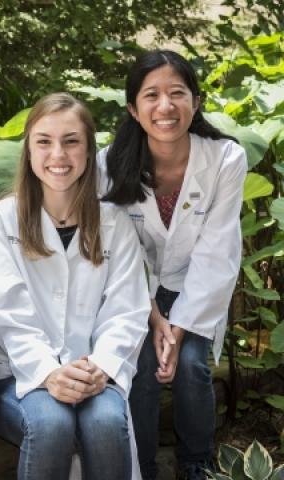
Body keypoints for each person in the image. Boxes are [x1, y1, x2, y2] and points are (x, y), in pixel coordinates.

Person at [0, 92, 150, 480]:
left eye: (71, 141)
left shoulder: (115, 223)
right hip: (21, 375)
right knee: (50, 424)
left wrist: (101, 366)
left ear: (90, 151)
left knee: (106, 424)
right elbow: (8, 311)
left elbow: (127, 310)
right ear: (28, 150)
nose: (58, 154)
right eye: (44, 141)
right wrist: (47, 372)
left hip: (96, 372)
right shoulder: (3, 219)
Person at [98, 50, 247, 480]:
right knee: (140, 365)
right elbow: (114, 250)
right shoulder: (110, 164)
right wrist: (152, 315)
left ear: (196, 102)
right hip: (131, 285)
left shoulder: (225, 159)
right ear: (133, 108)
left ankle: (196, 463)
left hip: (195, 284)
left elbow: (218, 250)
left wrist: (178, 327)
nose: (165, 107)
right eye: (151, 95)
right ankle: (141, 468)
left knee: (192, 364)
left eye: (177, 93)